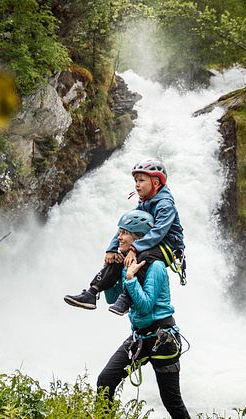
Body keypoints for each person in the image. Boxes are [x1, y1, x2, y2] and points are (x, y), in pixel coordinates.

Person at [96, 210, 192, 419]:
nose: (119, 237)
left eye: (124, 233)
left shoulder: (156, 266)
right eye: (119, 232)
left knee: (172, 402)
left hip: (162, 338)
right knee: (105, 381)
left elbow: (146, 304)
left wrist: (130, 279)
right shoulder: (127, 263)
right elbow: (113, 300)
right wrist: (108, 273)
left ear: (137, 236)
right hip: (139, 336)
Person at [64, 158, 185, 314]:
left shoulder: (165, 204)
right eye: (135, 180)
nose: (137, 184)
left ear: (155, 183)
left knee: (142, 256)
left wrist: (134, 248)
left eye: (141, 180)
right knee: (119, 257)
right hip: (149, 244)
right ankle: (92, 292)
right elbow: (127, 227)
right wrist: (112, 249)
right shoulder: (145, 202)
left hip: (168, 247)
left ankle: (126, 300)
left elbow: (158, 232)